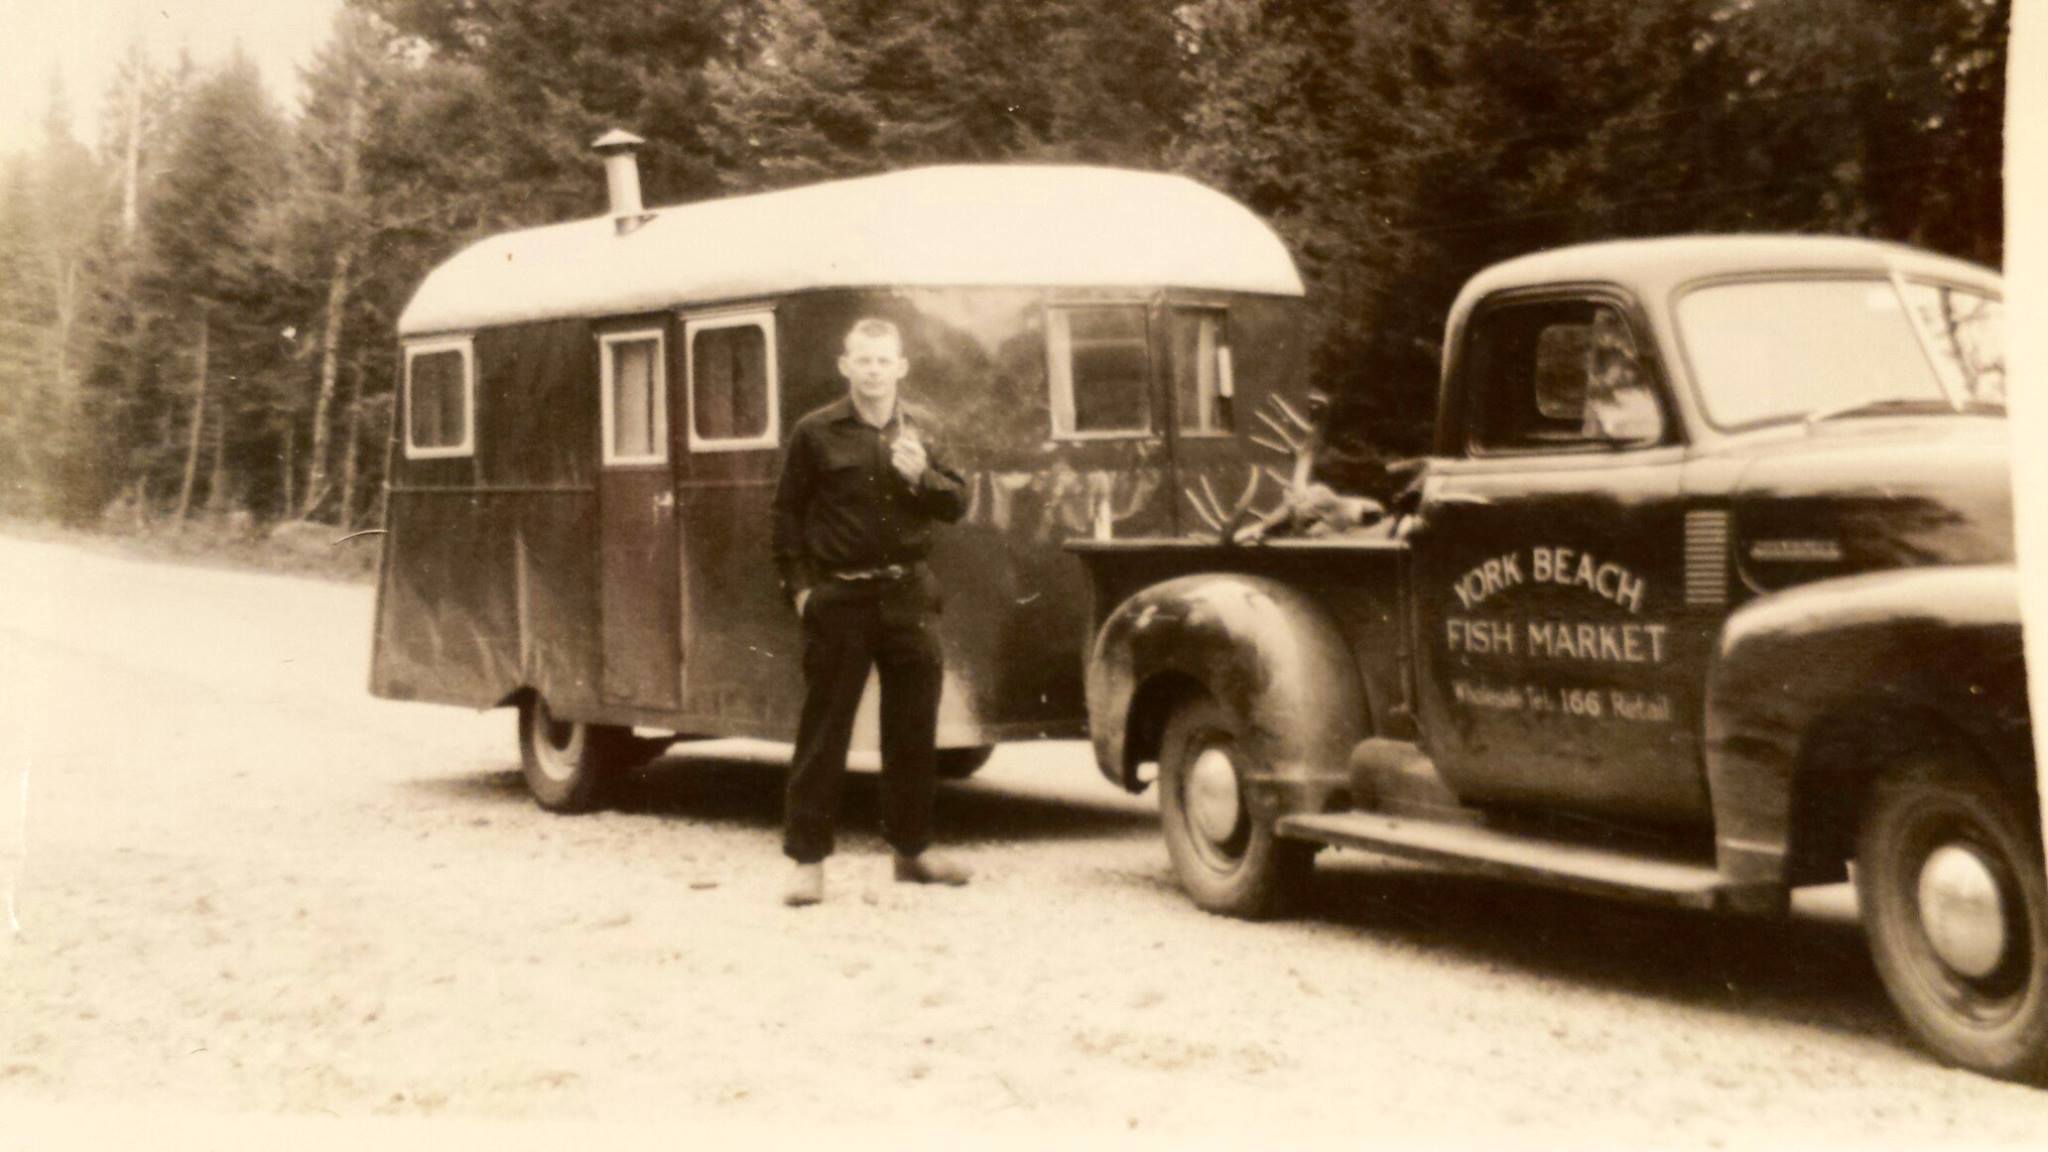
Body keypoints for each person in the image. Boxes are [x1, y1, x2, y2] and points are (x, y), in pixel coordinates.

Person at [770, 317, 973, 906]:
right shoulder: (815, 432)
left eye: (885, 361)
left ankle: (912, 852)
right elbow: (785, 517)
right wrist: (803, 592)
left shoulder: (925, 430)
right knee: (824, 732)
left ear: (901, 367)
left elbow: (957, 503)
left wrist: (923, 476)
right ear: (846, 366)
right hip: (841, 599)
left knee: (913, 730)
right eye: (864, 360)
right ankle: (807, 863)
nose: (874, 371)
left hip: (908, 595)